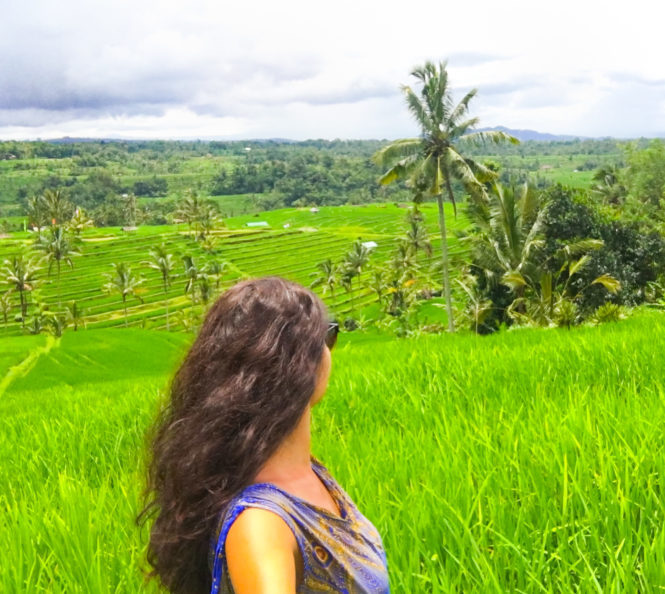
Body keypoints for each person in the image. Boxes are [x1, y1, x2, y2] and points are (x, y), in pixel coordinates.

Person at [139, 276, 389, 594]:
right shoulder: (261, 524)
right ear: (298, 364)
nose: (330, 351)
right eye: (328, 336)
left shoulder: (310, 474)